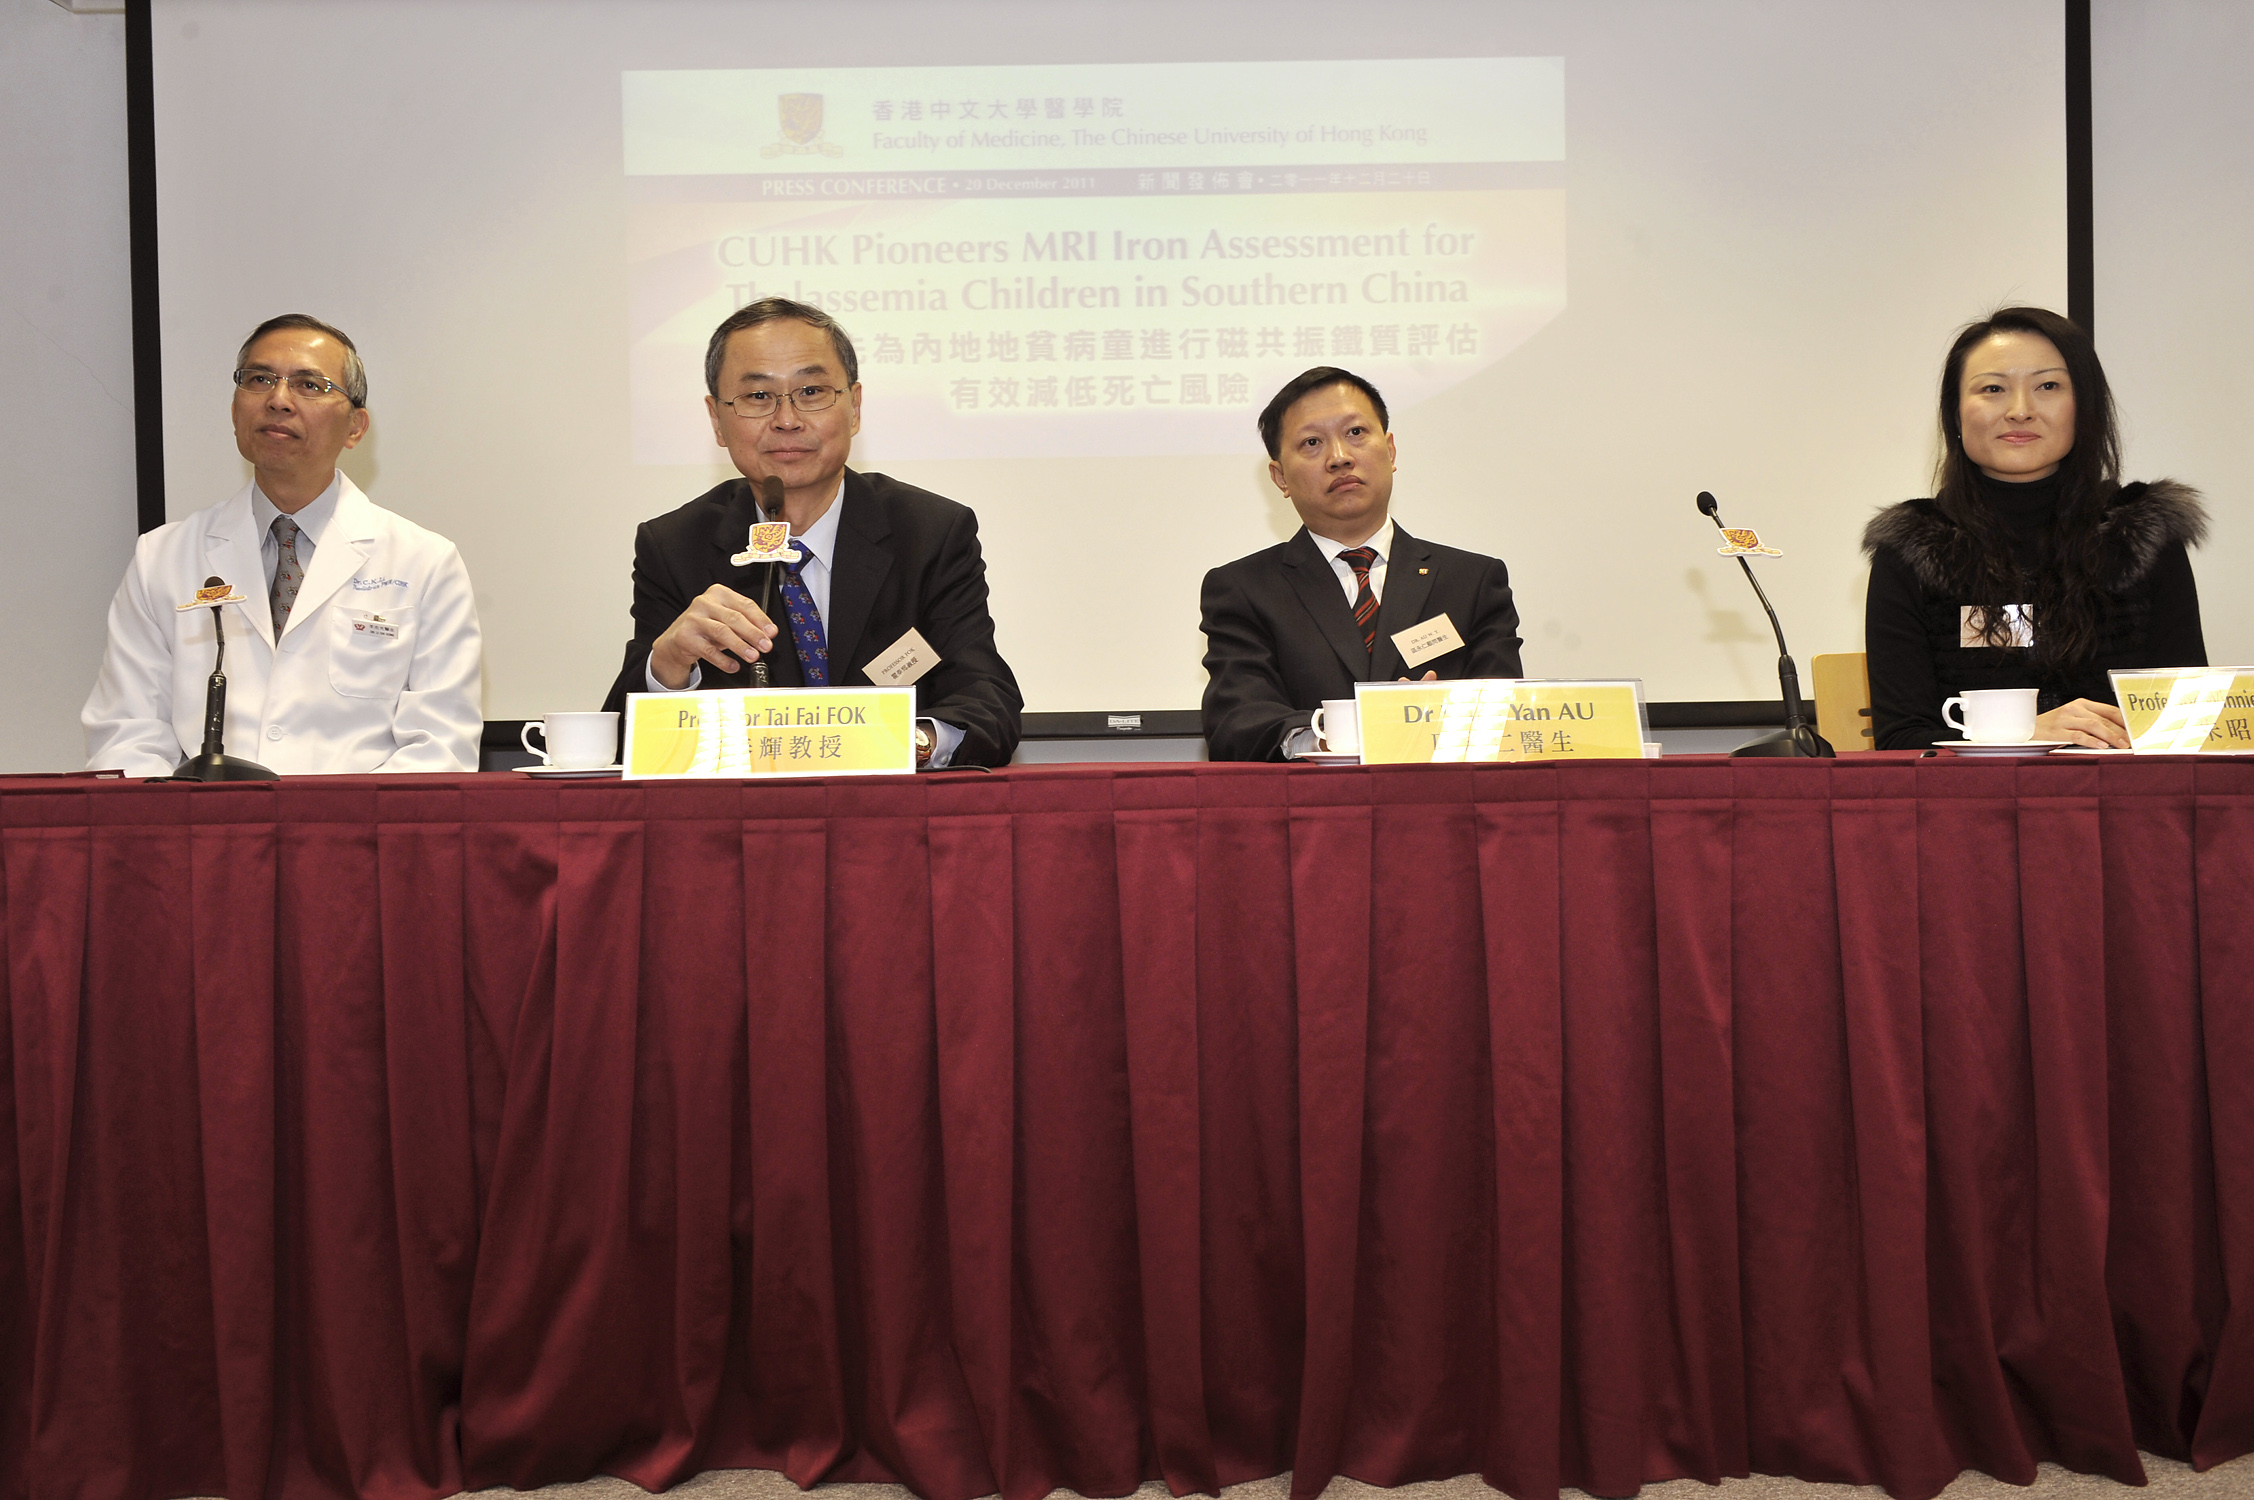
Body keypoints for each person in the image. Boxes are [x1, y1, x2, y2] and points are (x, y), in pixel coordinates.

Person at [601, 298, 1021, 768]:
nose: (786, 419)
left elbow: (988, 702)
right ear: (717, 419)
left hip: (890, 819)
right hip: (740, 825)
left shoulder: (929, 532)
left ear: (855, 407)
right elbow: (616, 743)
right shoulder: (675, 546)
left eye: (812, 391)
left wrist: (903, 745)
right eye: (758, 397)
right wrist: (668, 668)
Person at [84, 314, 483, 776]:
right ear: (235, 411)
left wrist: (324, 835)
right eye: (259, 379)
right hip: (204, 838)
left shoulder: (425, 562)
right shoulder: (163, 557)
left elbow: (440, 747)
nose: (278, 400)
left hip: (355, 841)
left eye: (310, 385)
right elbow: (126, 735)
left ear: (356, 427)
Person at [1862, 307, 2207, 750]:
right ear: (1955, 412)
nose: (2020, 411)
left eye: (2047, 386)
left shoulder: (2142, 533)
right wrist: (2016, 736)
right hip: (1969, 809)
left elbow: (2190, 726)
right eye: (1993, 389)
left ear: (2083, 405)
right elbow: (1902, 739)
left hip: (2120, 804)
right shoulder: (1913, 548)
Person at [1199, 366, 1523, 761]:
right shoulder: (1244, 589)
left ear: (1390, 451)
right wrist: (1344, 732)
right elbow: (1237, 723)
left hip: (1442, 807)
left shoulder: (1471, 581)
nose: (1339, 457)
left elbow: (1509, 718)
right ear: (1280, 478)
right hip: (1312, 811)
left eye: (1355, 433)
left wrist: (1435, 721)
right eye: (1312, 443)